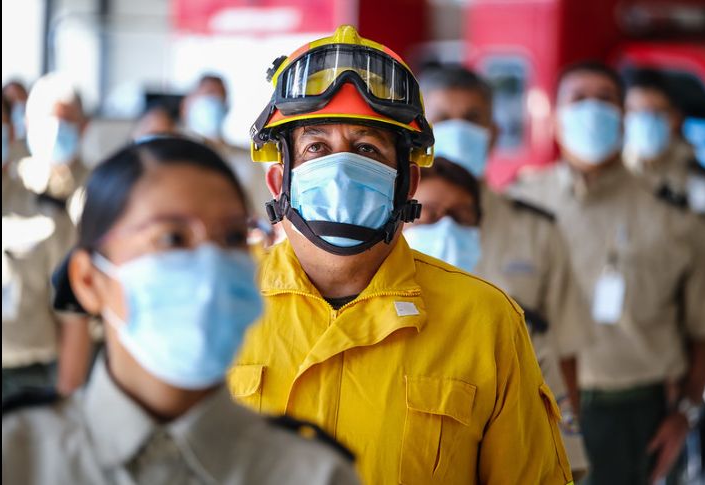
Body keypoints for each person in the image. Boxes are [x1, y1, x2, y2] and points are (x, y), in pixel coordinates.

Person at [228, 25, 573, 485]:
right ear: (278, 183)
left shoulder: (485, 321)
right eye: (316, 148)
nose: (341, 169)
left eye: (367, 148)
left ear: (407, 184)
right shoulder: (216, 300)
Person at [2, 136, 361, 485]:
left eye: (234, 237)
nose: (209, 267)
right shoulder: (18, 457)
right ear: (89, 280)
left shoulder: (314, 474)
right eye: (172, 238)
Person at [510, 60, 705, 485]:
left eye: (605, 99)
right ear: (555, 115)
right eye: (579, 99)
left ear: (623, 117)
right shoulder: (519, 202)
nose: (592, 110)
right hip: (531, 400)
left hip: (634, 414)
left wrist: (685, 414)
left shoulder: (673, 213)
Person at [404, 156, 592, 480]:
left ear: (479, 232)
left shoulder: (516, 331)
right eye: (429, 214)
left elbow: (561, 459)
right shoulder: (370, 326)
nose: (446, 227)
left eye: (461, 217)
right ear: (399, 222)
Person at [3, 92, 92, 401]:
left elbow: (72, 313)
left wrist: (65, 400)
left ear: (12, 132)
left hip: (28, 375)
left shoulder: (46, 212)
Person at [622, 68, 705, 285]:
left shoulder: (700, 178)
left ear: (675, 118)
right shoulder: (607, 174)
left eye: (656, 112)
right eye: (637, 111)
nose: (646, 121)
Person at [181, 73, 270, 223]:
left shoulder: (247, 158)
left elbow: (265, 214)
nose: (215, 104)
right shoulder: (175, 156)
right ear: (187, 105)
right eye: (209, 95)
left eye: (220, 99)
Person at [17, 73, 91, 225]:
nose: (55, 130)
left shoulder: (97, 185)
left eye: (66, 121)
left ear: (83, 126)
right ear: (28, 123)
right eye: (47, 120)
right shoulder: (14, 180)